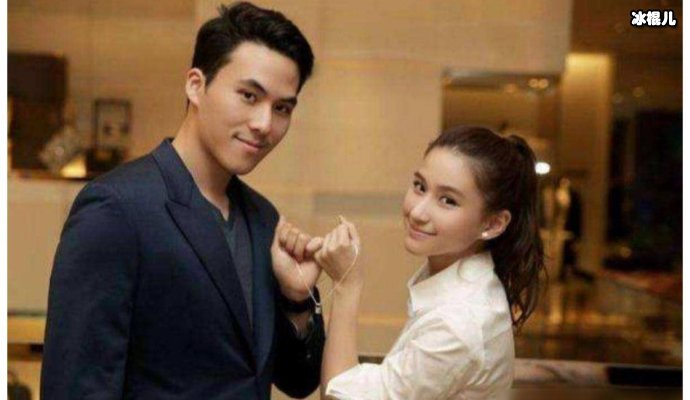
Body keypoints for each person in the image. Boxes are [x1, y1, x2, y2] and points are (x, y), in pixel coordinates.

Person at [41, 3, 325, 399]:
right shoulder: (116, 209)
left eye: (281, 108)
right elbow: (77, 386)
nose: (264, 124)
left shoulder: (263, 219)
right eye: (248, 95)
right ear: (195, 85)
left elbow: (298, 380)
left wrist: (296, 301)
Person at [315, 126, 546, 399]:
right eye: (420, 186)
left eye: (448, 200)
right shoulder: (456, 283)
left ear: (493, 224)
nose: (417, 212)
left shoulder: (458, 323)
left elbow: (339, 396)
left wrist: (346, 284)